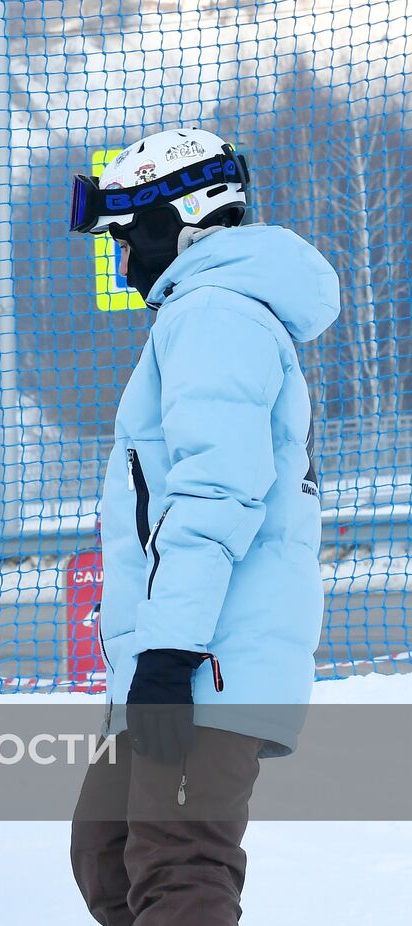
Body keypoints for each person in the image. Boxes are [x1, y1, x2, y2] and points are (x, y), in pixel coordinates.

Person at [66, 128, 340, 925]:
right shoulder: (208, 315)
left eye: (130, 236)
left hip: (207, 653)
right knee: (109, 850)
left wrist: (170, 652)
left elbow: (215, 494)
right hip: (184, 646)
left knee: (179, 861)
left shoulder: (215, 315)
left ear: (182, 222)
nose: (125, 262)